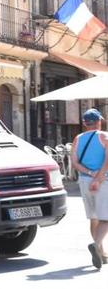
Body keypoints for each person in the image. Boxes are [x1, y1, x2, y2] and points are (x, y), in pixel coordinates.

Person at [71, 108, 108, 270]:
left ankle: (101, 252)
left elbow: (75, 163)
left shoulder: (77, 139)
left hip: (84, 181)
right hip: (103, 181)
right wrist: (99, 177)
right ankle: (96, 244)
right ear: (99, 121)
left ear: (85, 124)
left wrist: (90, 173)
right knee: (105, 218)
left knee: (94, 217)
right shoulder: (104, 136)